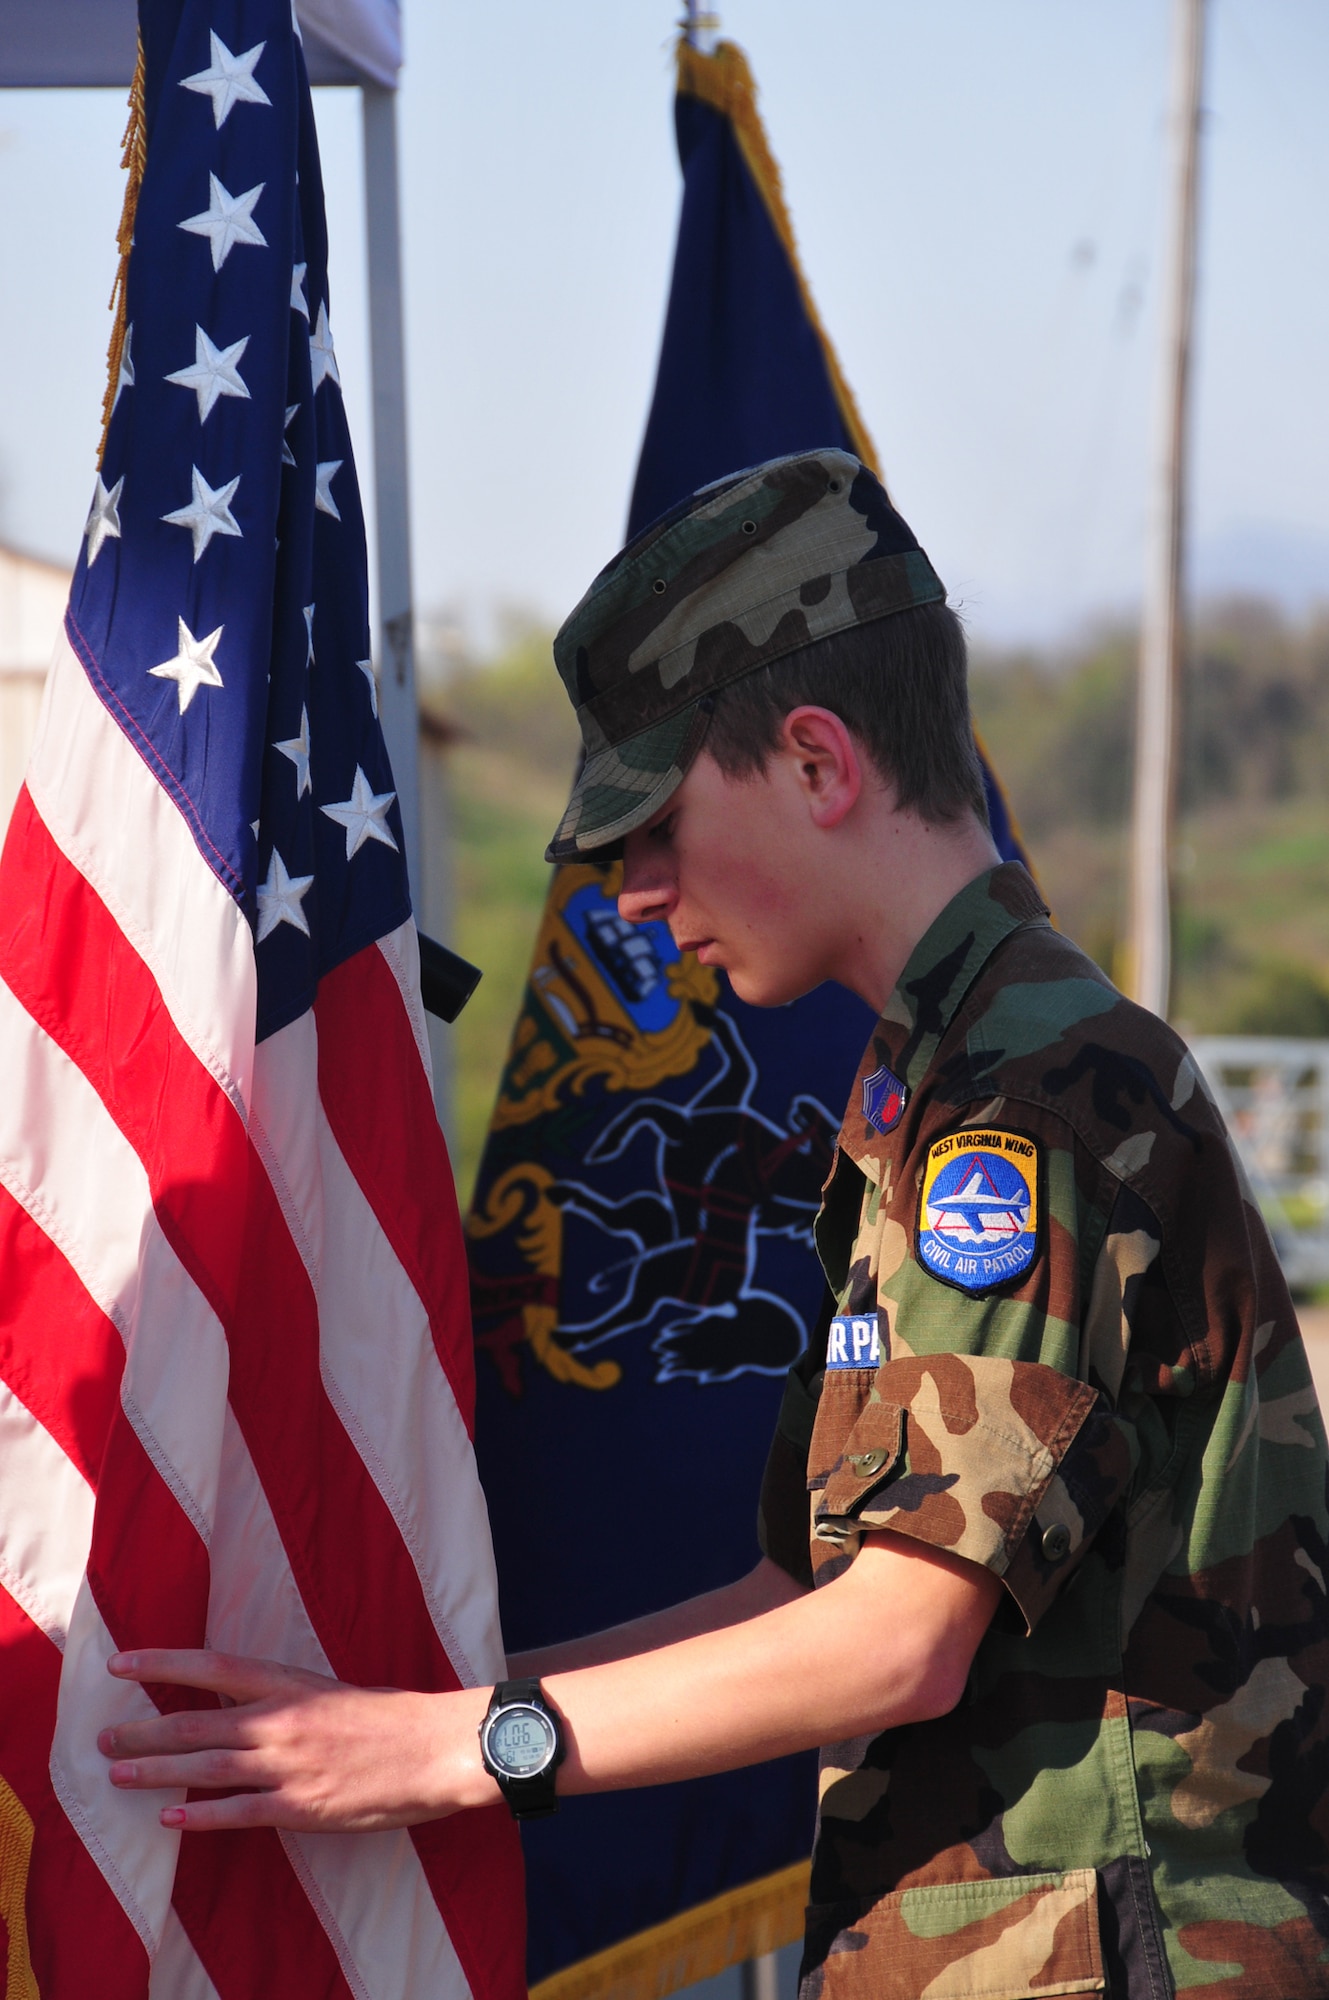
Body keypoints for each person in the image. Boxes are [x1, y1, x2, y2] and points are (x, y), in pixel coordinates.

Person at [102, 450, 1329, 1998]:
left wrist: (450, 1747)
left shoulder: (1031, 1105)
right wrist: (405, 1707)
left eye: (654, 826)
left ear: (818, 764)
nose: (628, 894)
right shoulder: (946, 1083)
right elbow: (799, 1599)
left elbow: (893, 1642)